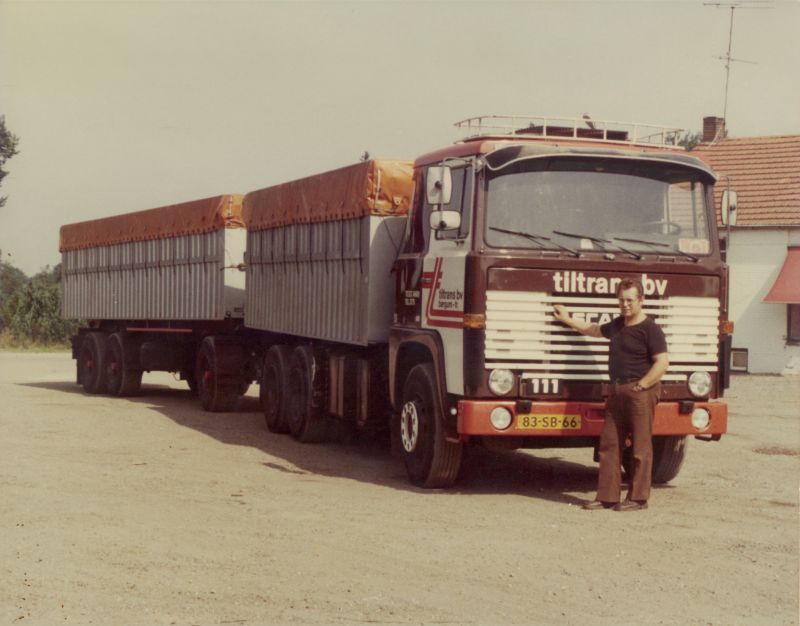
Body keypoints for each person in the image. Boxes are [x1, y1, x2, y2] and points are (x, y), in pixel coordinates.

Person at [553, 279, 668, 512]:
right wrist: (566, 319)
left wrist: (642, 385)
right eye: (621, 300)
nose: (625, 305)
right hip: (616, 391)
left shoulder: (651, 329)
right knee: (609, 444)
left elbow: (662, 363)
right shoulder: (617, 325)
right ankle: (607, 497)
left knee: (640, 447)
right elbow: (593, 330)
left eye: (629, 300)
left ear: (641, 300)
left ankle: (638, 499)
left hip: (640, 393)